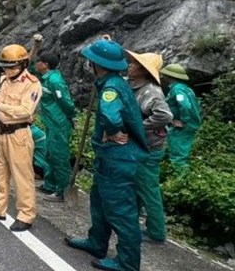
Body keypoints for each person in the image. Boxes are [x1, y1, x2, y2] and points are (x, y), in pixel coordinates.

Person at [65, 39, 149, 271]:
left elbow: (111, 116)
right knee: (100, 202)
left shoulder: (111, 88)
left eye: (91, 61)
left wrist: (113, 131)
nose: (89, 64)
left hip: (119, 157)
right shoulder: (113, 82)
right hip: (110, 157)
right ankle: (96, 242)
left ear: (97, 64)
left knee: (121, 211)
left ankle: (128, 262)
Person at [0, 44, 41, 232]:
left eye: (11, 66)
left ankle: (26, 215)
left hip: (18, 134)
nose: (7, 70)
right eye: (4, 66)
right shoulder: (3, 79)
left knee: (22, 176)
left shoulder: (32, 83)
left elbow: (26, 110)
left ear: (22, 64)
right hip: (0, 132)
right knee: (0, 172)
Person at [126, 50, 172, 244]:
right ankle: (132, 223)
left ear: (143, 70)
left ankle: (156, 232)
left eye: (134, 64)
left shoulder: (151, 91)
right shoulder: (137, 87)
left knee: (148, 189)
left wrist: (140, 126)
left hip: (149, 149)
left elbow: (165, 116)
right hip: (140, 146)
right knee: (137, 186)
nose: (130, 65)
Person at [34, 51, 75, 203]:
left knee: (59, 157)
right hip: (50, 123)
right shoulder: (45, 78)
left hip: (59, 124)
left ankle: (62, 191)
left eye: (39, 61)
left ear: (45, 65)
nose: (36, 64)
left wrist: (71, 116)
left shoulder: (55, 81)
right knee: (50, 154)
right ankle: (50, 185)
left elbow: (66, 103)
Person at [160, 63, 201, 174]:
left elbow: (185, 105)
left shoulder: (178, 89)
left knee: (178, 154)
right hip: (190, 124)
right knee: (180, 149)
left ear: (170, 77)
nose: (162, 77)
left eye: (165, 75)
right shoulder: (186, 88)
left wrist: (184, 121)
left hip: (184, 126)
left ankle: (182, 180)